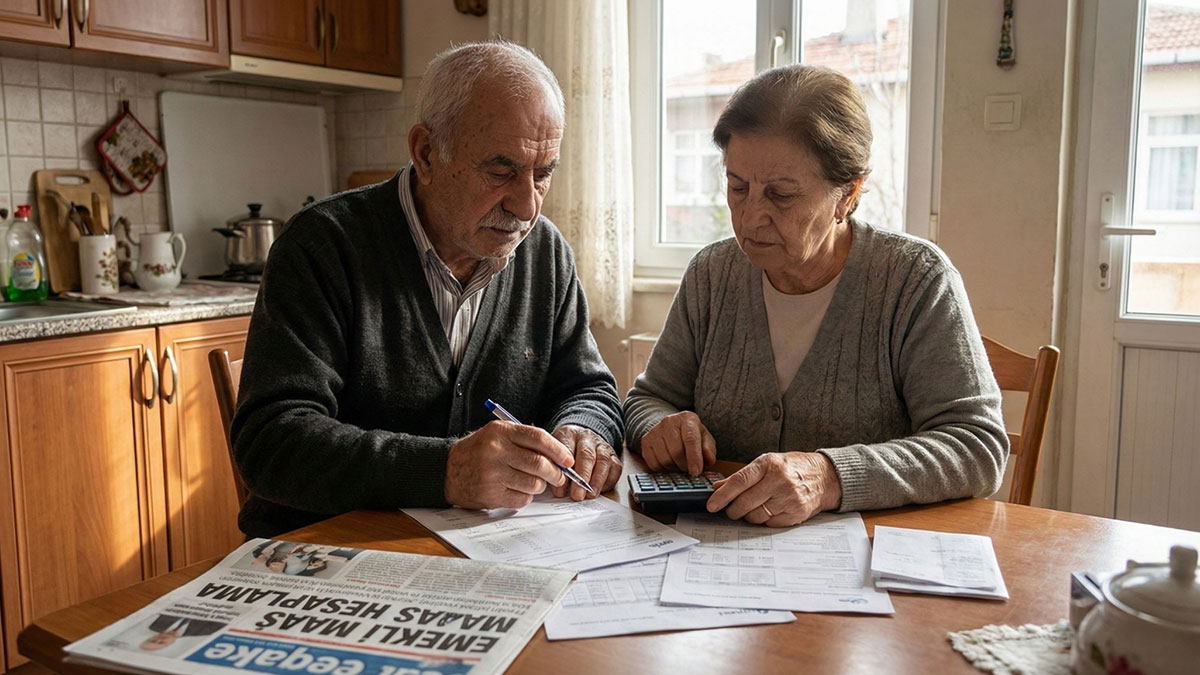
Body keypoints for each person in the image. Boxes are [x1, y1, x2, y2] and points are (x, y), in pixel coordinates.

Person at [232, 41, 624, 538]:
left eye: (543, 174)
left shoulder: (543, 251)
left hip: (476, 555)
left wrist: (583, 430)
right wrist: (446, 470)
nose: (528, 207)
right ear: (426, 153)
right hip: (329, 551)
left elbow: (587, 386)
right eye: (502, 171)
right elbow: (271, 444)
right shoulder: (323, 245)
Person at [623, 64, 1007, 527]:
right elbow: (647, 400)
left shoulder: (914, 281)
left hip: (863, 563)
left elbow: (976, 447)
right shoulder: (712, 273)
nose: (750, 218)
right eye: (737, 187)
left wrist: (829, 476)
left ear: (848, 194)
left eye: (781, 195)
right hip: (717, 556)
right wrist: (660, 426)